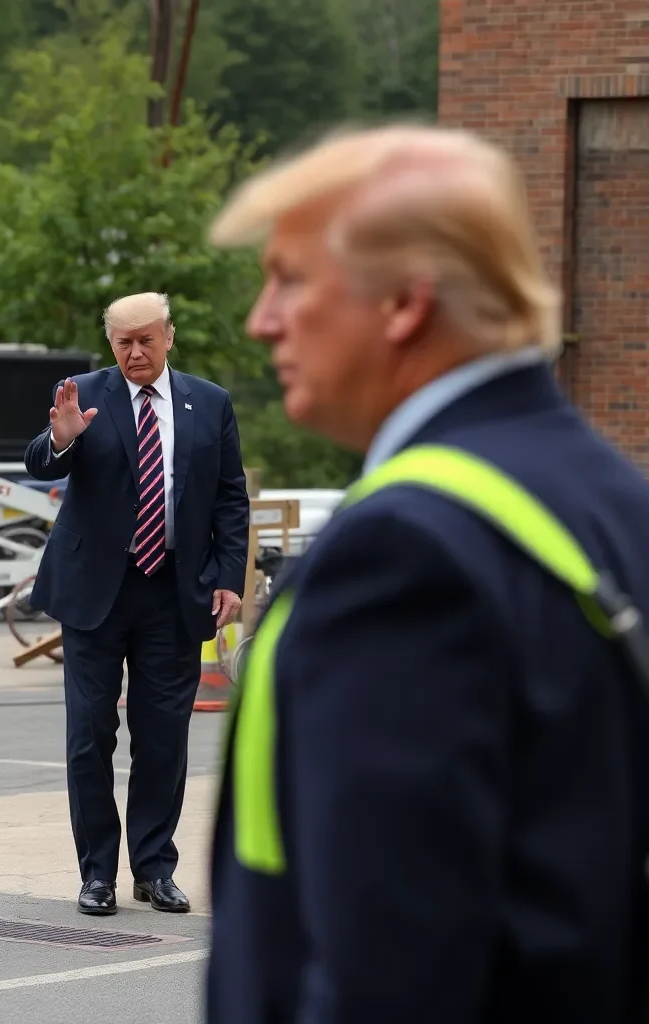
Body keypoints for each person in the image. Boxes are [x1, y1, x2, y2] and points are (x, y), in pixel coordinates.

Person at [204, 123, 649, 1022]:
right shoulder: (613, 497)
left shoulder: (400, 554)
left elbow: (387, 973)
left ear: (405, 303)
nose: (263, 319)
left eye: (290, 277)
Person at [24, 292, 249, 916]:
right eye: (123, 341)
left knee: (163, 737)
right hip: (97, 589)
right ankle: (97, 872)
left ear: (169, 336)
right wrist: (61, 438)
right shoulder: (83, 393)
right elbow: (39, 458)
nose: (135, 352)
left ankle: (153, 867)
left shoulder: (208, 403)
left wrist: (228, 573)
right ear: (111, 343)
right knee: (90, 734)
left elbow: (231, 497)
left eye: (146, 339)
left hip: (173, 591)